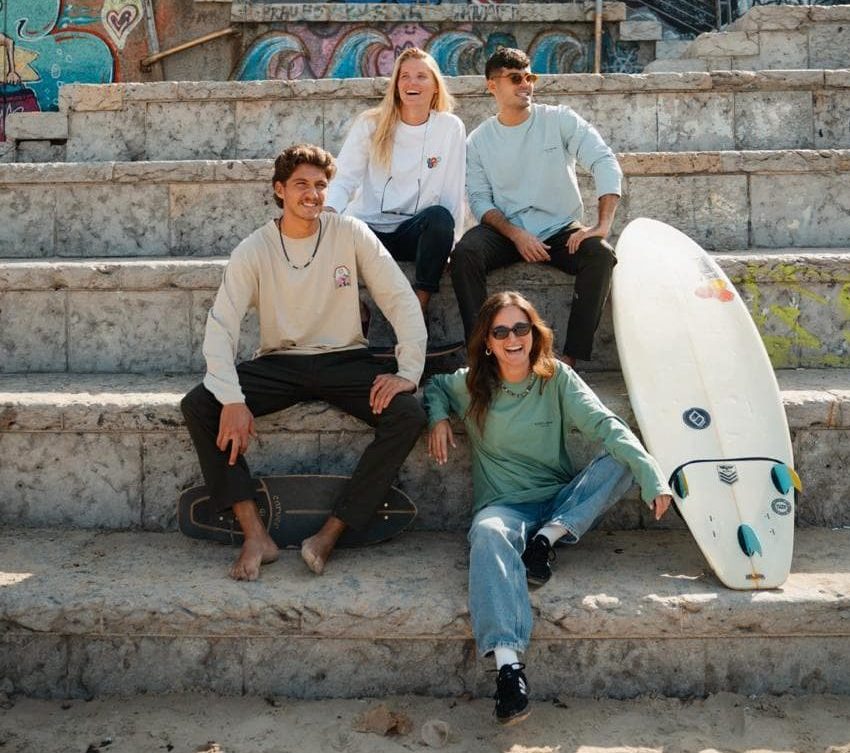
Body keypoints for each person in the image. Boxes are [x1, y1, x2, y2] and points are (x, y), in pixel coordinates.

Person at [181, 144, 427, 582]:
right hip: (281, 362)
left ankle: (331, 533)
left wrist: (407, 372)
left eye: (320, 185)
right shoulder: (254, 249)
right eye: (301, 185)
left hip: (344, 359)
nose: (312, 194)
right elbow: (221, 326)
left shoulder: (349, 232)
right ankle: (255, 533)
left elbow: (399, 297)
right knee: (201, 404)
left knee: (408, 414)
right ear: (279, 189)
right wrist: (232, 399)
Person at [424, 291, 672, 725]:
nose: (512, 338)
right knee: (487, 533)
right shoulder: (472, 385)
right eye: (501, 331)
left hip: (559, 502)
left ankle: (546, 540)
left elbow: (605, 425)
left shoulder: (556, 377)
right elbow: (434, 387)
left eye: (520, 328)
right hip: (504, 507)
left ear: (534, 333)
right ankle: (509, 672)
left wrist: (651, 473)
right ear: (488, 342)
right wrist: (438, 418)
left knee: (621, 458)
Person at [451, 47, 622, 368]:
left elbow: (603, 159)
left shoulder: (559, 119)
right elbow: (479, 200)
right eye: (515, 78)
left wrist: (602, 224)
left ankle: (570, 359)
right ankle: (482, 357)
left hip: (560, 229)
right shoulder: (479, 140)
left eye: (530, 77)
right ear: (492, 86)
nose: (526, 85)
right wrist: (516, 235)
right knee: (465, 254)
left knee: (600, 253)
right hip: (506, 232)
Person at [326, 47, 466, 334]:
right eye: (405, 76)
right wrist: (328, 212)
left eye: (421, 76)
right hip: (369, 230)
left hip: (414, 233)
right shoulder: (371, 123)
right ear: (396, 85)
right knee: (335, 230)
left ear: (435, 86)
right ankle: (356, 312)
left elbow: (453, 190)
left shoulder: (449, 128)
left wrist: (452, 243)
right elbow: (344, 177)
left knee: (440, 218)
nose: (412, 83)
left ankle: (415, 312)